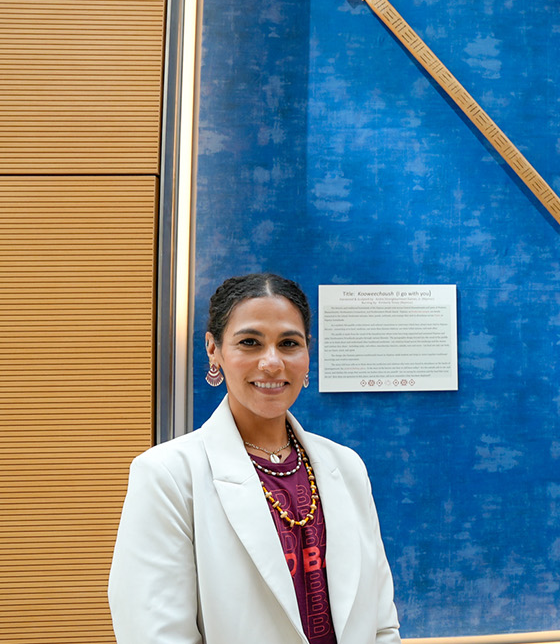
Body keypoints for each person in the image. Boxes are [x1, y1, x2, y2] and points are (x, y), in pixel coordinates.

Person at [109, 273, 401, 643]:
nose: (272, 362)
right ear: (213, 350)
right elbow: (154, 634)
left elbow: (381, 624)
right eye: (250, 342)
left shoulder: (346, 467)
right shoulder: (168, 475)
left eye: (289, 343)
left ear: (308, 351)